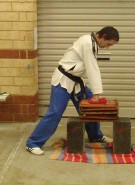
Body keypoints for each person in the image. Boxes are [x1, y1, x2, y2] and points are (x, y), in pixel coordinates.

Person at [26, 26, 120, 155]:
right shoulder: (87, 43)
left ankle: (95, 135)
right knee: (55, 112)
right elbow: (92, 68)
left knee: (91, 109)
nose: (108, 47)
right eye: (108, 44)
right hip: (63, 81)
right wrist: (97, 93)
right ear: (102, 36)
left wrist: (95, 94)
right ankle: (33, 143)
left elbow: (88, 67)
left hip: (75, 82)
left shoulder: (92, 42)